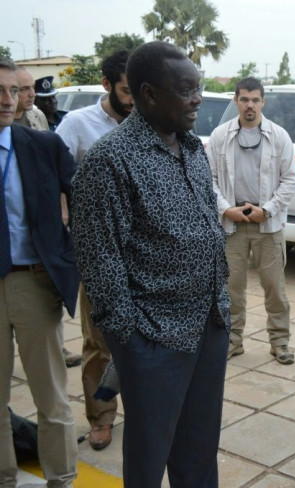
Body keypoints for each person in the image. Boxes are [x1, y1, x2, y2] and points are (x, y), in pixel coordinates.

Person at [70, 42, 230, 488]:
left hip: (209, 327)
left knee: (198, 451)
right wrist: (133, 343)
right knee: (149, 456)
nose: (198, 97)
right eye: (186, 89)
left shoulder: (194, 149)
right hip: (154, 339)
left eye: (198, 86)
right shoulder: (109, 161)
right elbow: (100, 263)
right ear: (149, 93)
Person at [0, 57, 79, 488]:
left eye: (14, 90)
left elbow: (86, 204)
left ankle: (61, 480)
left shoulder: (42, 147)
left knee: (51, 398)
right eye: (0, 91)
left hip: (33, 282)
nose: (8, 100)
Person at [56, 49, 133, 451]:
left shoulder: (150, 122)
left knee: (143, 340)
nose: (135, 97)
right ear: (107, 85)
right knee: (100, 342)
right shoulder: (77, 124)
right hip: (99, 256)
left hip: (144, 255)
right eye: (125, 89)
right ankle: (101, 417)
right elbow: (51, 178)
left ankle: (144, 411)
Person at [207, 77, 295, 364]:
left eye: (255, 100)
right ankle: (232, 341)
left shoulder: (279, 136)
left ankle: (280, 342)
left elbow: (290, 179)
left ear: (263, 102)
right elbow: (207, 179)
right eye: (244, 99)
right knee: (232, 289)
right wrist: (225, 209)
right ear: (236, 100)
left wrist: (268, 210)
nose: (250, 105)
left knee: (275, 289)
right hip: (232, 225)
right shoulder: (220, 136)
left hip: (266, 224)